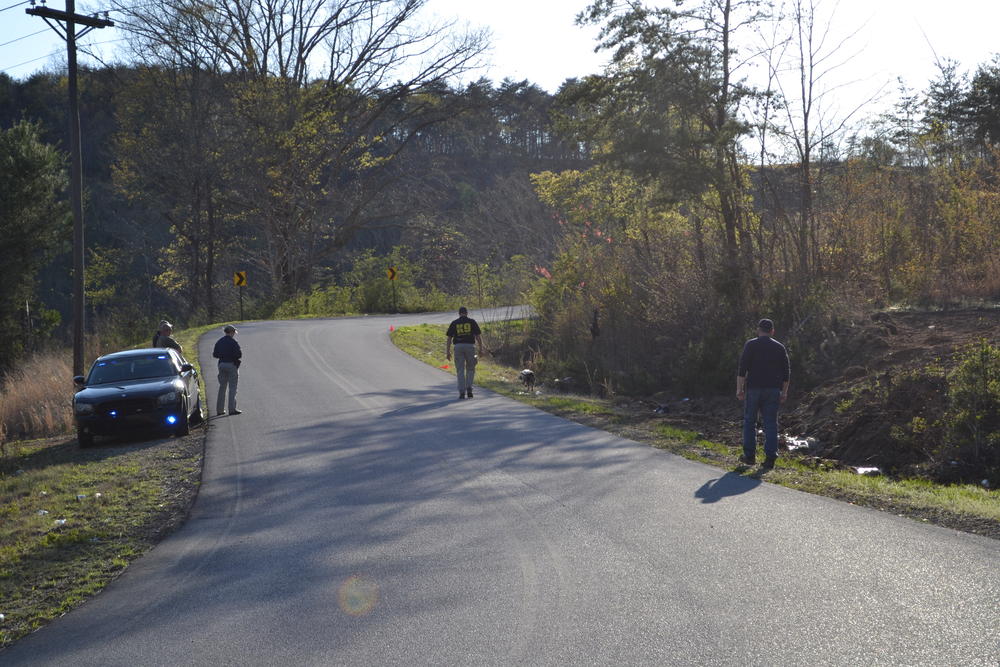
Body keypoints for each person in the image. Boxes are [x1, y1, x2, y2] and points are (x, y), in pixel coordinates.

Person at [736, 318, 790, 469]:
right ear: (772, 331)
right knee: (771, 423)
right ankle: (770, 459)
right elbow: (786, 373)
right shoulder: (780, 347)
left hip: (753, 388)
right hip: (773, 390)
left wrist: (739, 389)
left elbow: (742, 369)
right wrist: (784, 392)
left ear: (758, 330)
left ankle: (749, 456)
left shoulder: (751, 344)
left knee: (750, 422)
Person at [445, 306, 483, 400]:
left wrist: (448, 351)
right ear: (467, 313)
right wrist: (481, 349)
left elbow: (449, 338)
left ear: (459, 313)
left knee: (460, 370)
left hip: (458, 347)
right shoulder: (472, 322)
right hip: (470, 347)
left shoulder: (454, 323)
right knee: (471, 368)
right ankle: (469, 389)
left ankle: (462, 392)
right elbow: (478, 336)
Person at [213, 324, 242, 416]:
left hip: (221, 365)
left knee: (222, 387)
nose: (234, 334)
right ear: (232, 332)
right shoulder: (234, 342)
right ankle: (232, 409)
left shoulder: (219, 341)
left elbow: (215, 354)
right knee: (232, 387)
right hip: (231, 365)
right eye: (234, 332)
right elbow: (239, 355)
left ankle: (220, 410)